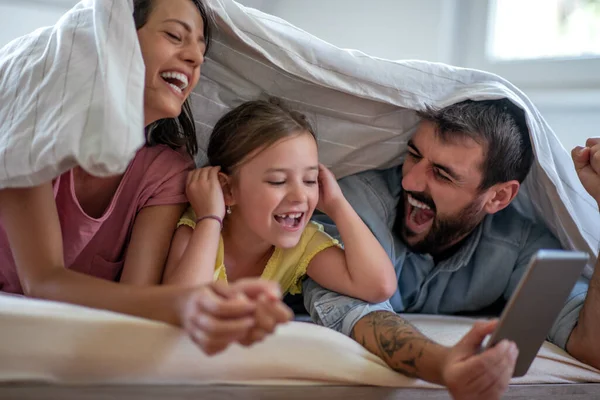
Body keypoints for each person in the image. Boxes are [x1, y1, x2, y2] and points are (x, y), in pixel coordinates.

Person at [0, 0, 292, 356]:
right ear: (115, 38)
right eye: (174, 35)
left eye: (201, 50)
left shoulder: (166, 171)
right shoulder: (29, 126)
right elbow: (42, 280)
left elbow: (137, 295)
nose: (195, 59)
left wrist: (202, 305)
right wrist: (182, 304)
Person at [302, 98, 600, 399]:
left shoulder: (520, 244)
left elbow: (591, 347)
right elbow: (354, 312)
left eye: (442, 174)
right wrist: (443, 364)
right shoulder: (353, 206)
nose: (410, 180)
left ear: (498, 197)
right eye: (413, 154)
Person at [163, 99, 397, 304]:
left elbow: (379, 286)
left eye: (310, 179)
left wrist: (337, 205)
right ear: (228, 189)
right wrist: (210, 219)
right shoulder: (199, 228)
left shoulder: (301, 244)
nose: (300, 196)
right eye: (277, 181)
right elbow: (177, 309)